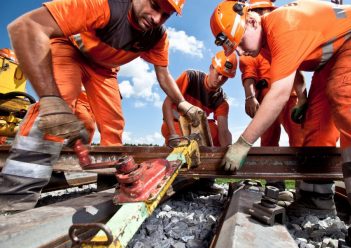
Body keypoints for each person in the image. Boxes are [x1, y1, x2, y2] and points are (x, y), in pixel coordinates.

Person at [210, 1, 351, 248]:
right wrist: (304, 99)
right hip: (332, 60)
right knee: (316, 125)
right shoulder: (267, 42)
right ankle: (315, 198)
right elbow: (293, 72)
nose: (242, 52)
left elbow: (278, 94)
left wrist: (243, 143)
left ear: (253, 21)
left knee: (346, 95)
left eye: (241, 43)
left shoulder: (281, 24)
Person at [0, 0, 204, 211]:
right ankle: (15, 197)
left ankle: (107, 187)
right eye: (154, 5)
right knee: (55, 112)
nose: (156, 18)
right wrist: (50, 98)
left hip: (105, 69)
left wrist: (181, 103)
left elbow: (164, 74)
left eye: (166, 15)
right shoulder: (104, 5)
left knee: (113, 127)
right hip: (69, 50)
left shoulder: (157, 37)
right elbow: (26, 27)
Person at [239, 0, 306, 196]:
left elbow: (296, 67)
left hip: (291, 95)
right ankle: (274, 183)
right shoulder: (251, 45)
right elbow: (249, 74)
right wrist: (250, 97)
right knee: (268, 141)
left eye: (264, 10)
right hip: (268, 98)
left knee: (300, 137)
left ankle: (304, 183)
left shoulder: (282, 34)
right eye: (257, 11)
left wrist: (302, 97)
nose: (262, 14)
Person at [161, 50, 236, 148]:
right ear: (211, 68)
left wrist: (229, 148)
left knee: (215, 131)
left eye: (225, 77)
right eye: (219, 73)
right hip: (175, 123)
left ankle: (210, 156)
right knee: (181, 134)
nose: (220, 79)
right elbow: (167, 104)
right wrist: (173, 134)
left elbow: (224, 130)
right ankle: (172, 143)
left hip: (197, 129)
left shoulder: (221, 101)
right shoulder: (190, 77)